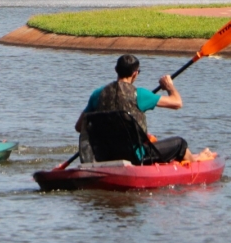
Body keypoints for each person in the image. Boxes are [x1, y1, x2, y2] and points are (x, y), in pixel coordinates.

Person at [75, 54, 212, 164]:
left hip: (103, 155)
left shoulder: (97, 94)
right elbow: (177, 103)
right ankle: (196, 160)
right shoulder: (140, 94)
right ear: (135, 74)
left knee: (149, 137)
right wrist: (169, 86)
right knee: (180, 144)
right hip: (134, 157)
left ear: (116, 70)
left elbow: (79, 126)